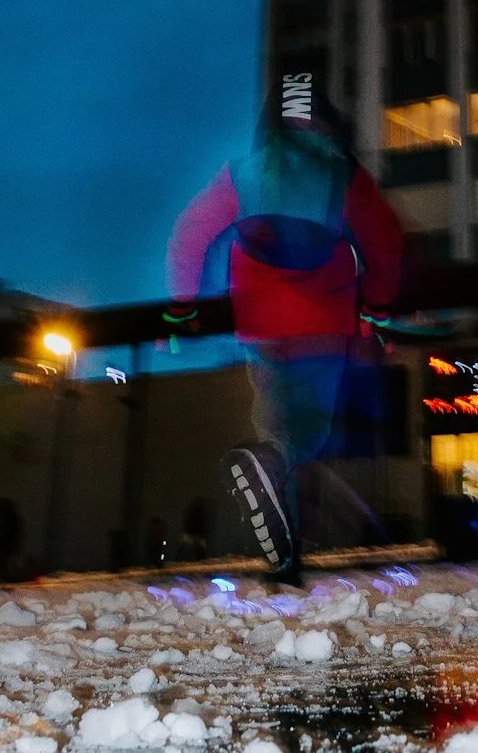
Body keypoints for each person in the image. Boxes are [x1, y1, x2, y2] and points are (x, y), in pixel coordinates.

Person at [167, 72, 403, 579]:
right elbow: (385, 243)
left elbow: (189, 234)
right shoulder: (343, 173)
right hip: (324, 320)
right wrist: (378, 308)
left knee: (275, 428)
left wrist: (183, 305)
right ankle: (274, 482)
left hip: (261, 324)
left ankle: (285, 557)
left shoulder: (245, 170)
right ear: (323, 116)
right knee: (306, 434)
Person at [0, 497, 24, 584]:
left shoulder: (6, 517)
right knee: (5, 563)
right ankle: (6, 579)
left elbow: (4, 531)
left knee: (4, 563)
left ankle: (5, 579)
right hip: (7, 545)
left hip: (5, 545)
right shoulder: (12, 516)